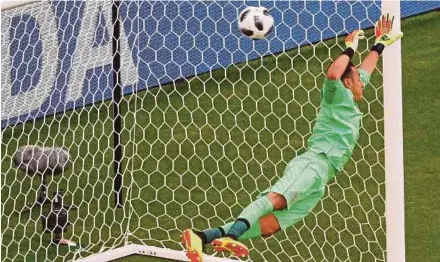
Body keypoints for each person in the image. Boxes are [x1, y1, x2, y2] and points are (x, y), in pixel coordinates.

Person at [181, 14, 403, 262]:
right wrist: (349, 48)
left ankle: (201, 237)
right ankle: (231, 237)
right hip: (314, 163)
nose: (364, 81)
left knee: (269, 226)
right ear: (348, 82)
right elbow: (333, 74)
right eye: (358, 79)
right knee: (276, 199)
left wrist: (378, 45)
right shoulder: (334, 93)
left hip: (323, 177)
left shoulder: (349, 96)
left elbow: (365, 69)